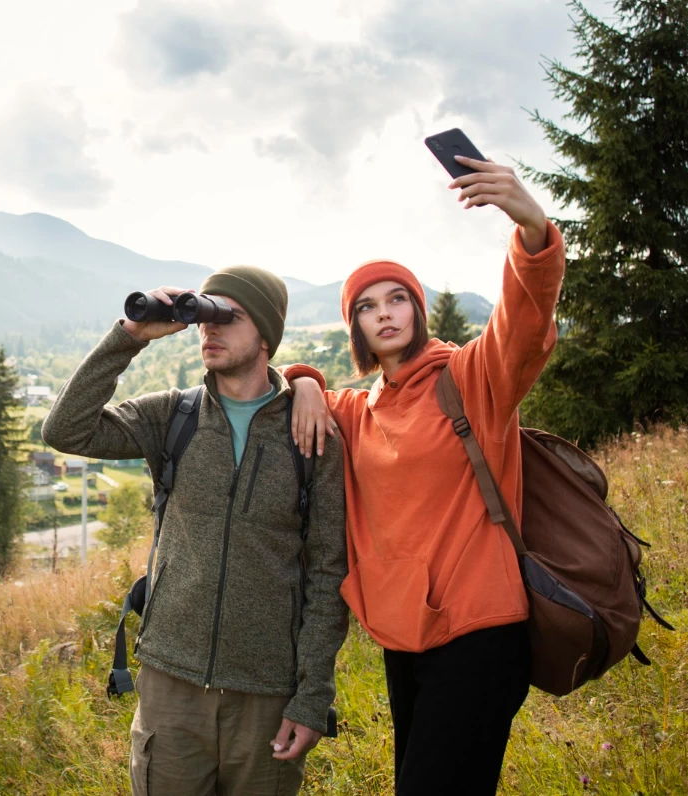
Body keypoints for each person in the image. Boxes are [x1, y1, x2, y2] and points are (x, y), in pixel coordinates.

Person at [284, 155, 566, 795]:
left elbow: (523, 323)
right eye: (367, 307)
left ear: (418, 310)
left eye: (398, 300)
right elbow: (287, 392)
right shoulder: (358, 412)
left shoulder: (470, 378)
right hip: (405, 637)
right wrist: (303, 380)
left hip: (480, 632)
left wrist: (529, 225)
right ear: (354, 325)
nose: (385, 314)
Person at [41, 265, 349, 796]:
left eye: (229, 316)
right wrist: (130, 337)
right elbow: (65, 429)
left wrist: (311, 697)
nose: (210, 327)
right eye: (205, 313)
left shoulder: (311, 436)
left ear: (266, 336)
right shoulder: (173, 416)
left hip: (266, 693)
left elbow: (328, 573)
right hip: (170, 685)